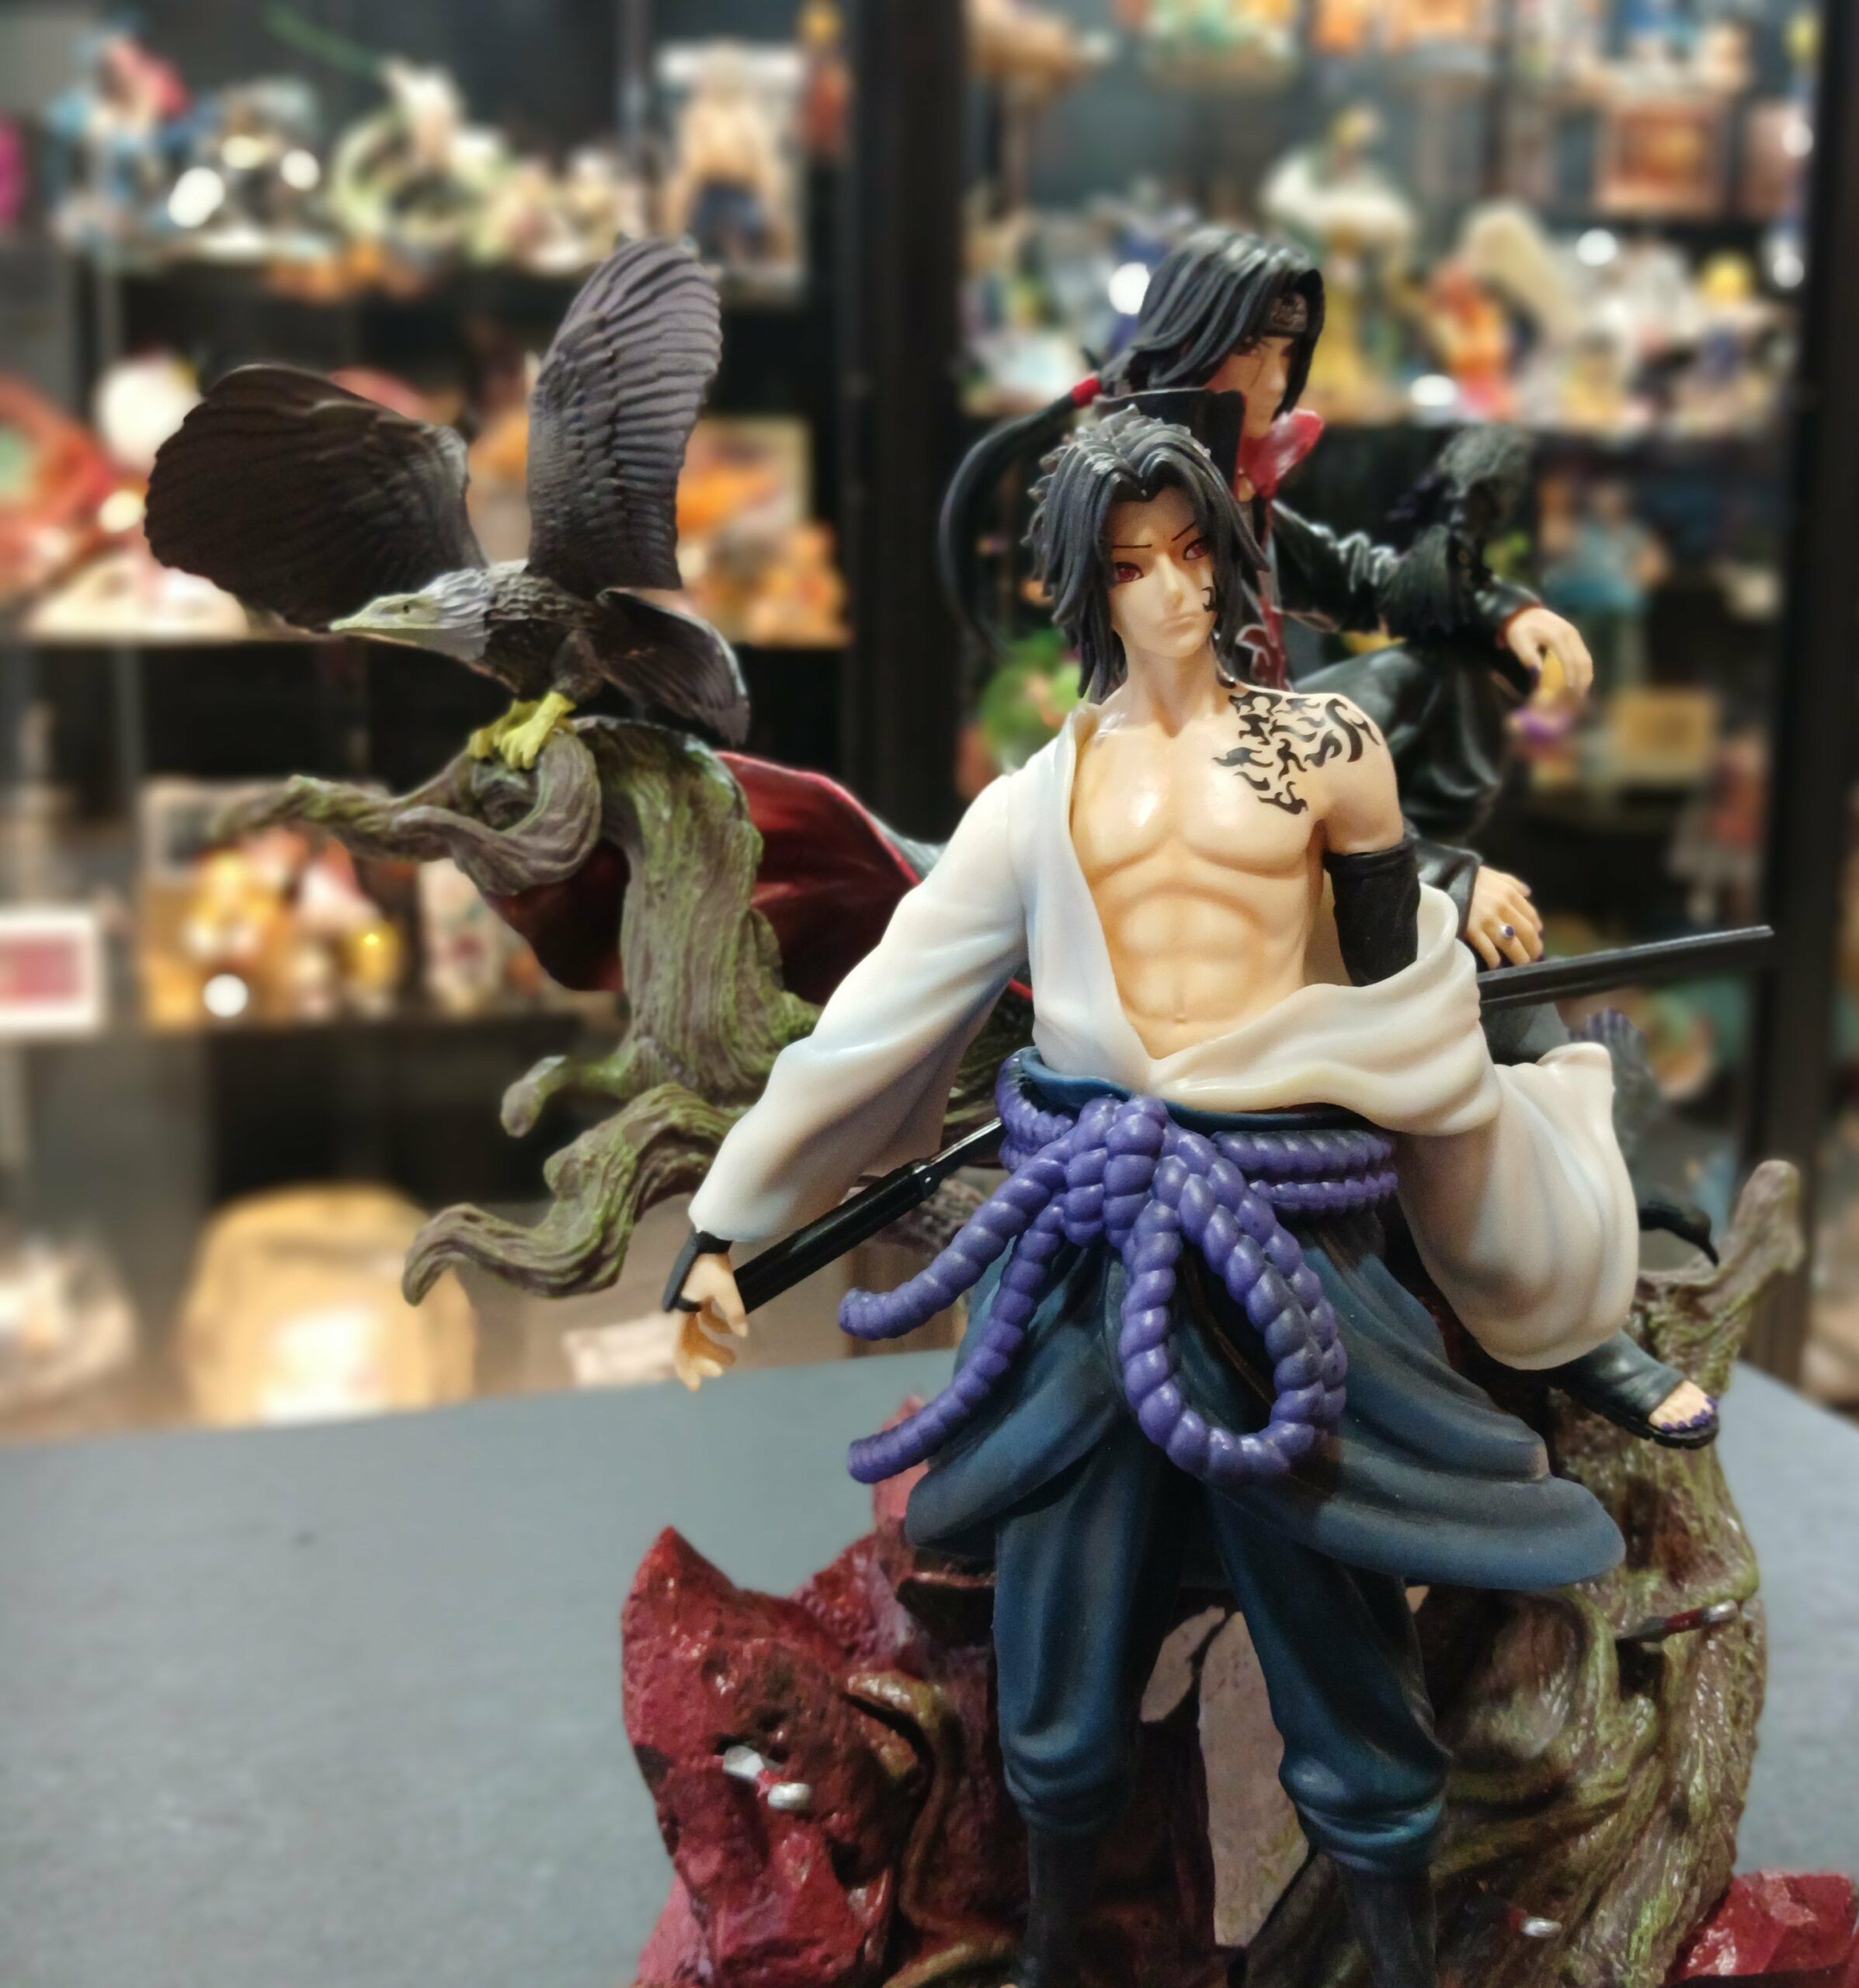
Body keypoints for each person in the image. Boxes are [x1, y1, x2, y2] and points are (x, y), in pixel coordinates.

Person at [662, 412, 1652, 1986]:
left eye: (1194, 552)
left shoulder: (1324, 747)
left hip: (1286, 1241)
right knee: (1059, 1646)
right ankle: (1053, 1950)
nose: (1176, 591)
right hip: (1097, 1240)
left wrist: (1445, 911)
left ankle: (1393, 1954)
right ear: (1085, 587)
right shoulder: (1035, 802)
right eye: (1134, 565)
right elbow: (886, 1009)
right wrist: (730, 1221)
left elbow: (1389, 980)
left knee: (1338, 1628)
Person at [941, 225, 1597, 974]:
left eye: (1287, 352)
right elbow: (1206, 748)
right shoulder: (1135, 493)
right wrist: (1433, 876)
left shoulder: (1235, 485)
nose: (1276, 378)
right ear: (1195, 338)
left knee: (1440, 668)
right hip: (1191, 787)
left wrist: (1504, 610)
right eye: (1252, 348)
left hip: (1268, 745)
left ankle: (1390, 866)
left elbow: (1360, 581)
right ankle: (1386, 879)